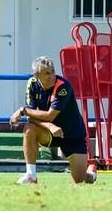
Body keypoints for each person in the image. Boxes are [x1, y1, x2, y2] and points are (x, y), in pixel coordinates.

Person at [10, 55, 97, 185]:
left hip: (72, 135)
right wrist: (50, 127)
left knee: (80, 180)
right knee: (29, 128)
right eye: (46, 73)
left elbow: (50, 116)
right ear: (37, 75)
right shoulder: (32, 84)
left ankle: (91, 174)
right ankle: (31, 176)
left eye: (53, 71)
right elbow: (31, 117)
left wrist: (23, 110)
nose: (51, 76)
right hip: (51, 132)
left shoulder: (63, 86)